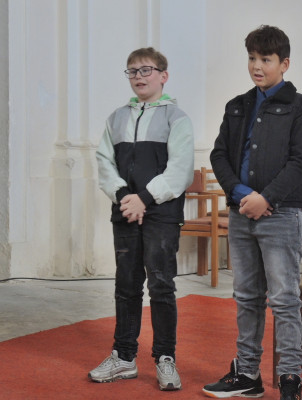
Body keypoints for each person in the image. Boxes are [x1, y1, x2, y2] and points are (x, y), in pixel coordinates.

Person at [203, 25, 302, 400]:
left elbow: (301, 162)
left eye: (265, 59)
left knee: (284, 299)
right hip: (242, 214)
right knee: (247, 297)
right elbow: (219, 155)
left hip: (280, 215)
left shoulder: (300, 107)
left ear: (284, 64)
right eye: (252, 58)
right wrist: (240, 194)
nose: (256, 66)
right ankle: (248, 374)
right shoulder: (237, 105)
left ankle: (289, 378)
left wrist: (266, 198)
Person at [91, 47, 194, 391]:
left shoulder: (176, 118)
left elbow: (180, 170)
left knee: (161, 285)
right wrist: (124, 196)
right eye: (132, 71)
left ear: (164, 76)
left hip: (161, 214)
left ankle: (165, 358)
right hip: (125, 212)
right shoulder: (116, 118)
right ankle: (124, 357)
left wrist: (144, 199)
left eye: (146, 70)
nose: (139, 76)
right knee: (126, 286)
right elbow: (104, 161)